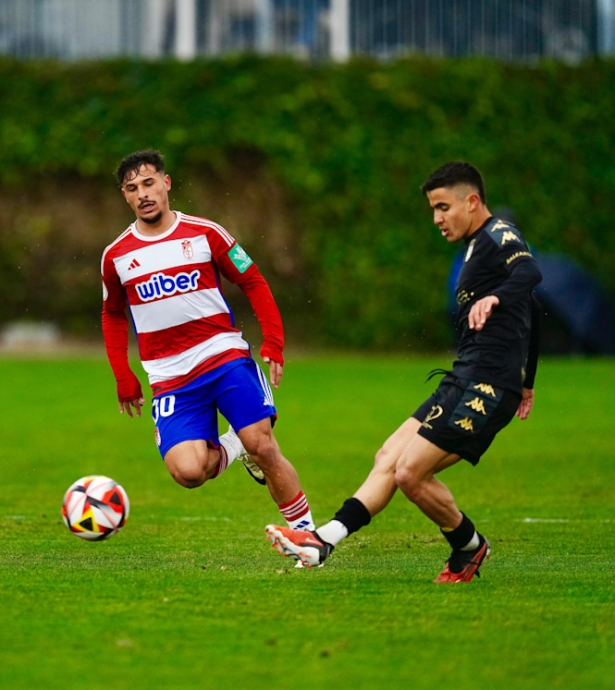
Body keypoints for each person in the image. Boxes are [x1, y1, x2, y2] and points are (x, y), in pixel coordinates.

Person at [265, 161, 542, 582]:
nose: (437, 218)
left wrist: (495, 302)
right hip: (465, 376)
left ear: (472, 201)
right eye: (433, 208)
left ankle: (470, 547)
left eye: (443, 207)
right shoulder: (474, 247)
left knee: (410, 473)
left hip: (487, 384)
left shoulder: (498, 234)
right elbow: (532, 309)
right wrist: (530, 381)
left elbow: (529, 274)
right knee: (388, 457)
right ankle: (323, 541)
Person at [102, 149, 314, 532]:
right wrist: (123, 375)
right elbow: (113, 314)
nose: (143, 194)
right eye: (132, 188)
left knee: (264, 446)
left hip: (222, 355)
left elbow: (253, 280)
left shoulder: (205, 232)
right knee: (189, 472)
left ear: (166, 184)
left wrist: (274, 342)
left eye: (149, 183)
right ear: (125, 196)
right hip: (169, 376)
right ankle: (235, 444)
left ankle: (306, 537)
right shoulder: (116, 255)